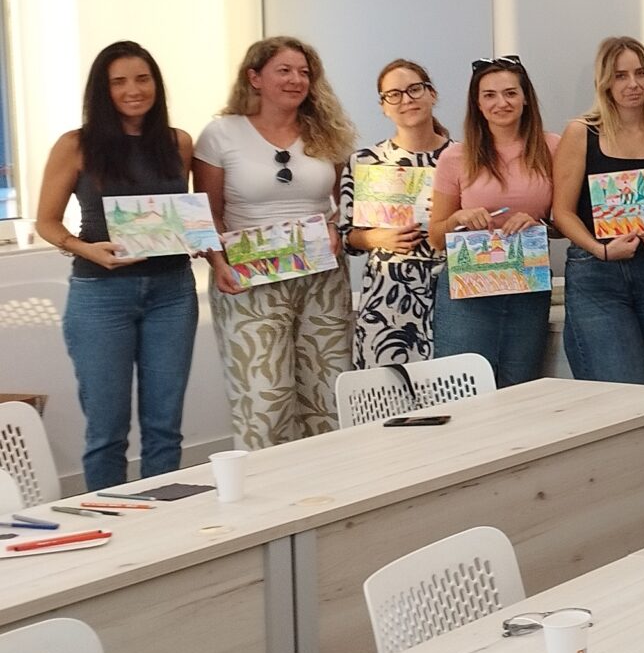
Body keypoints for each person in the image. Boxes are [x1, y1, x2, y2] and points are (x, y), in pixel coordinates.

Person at [35, 42, 199, 488]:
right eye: (119, 82)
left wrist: (197, 236)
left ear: (156, 84)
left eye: (142, 79)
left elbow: (180, 214)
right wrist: (85, 249)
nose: (133, 90)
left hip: (173, 291)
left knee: (165, 426)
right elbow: (46, 222)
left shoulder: (178, 142)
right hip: (101, 295)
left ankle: (164, 518)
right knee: (106, 430)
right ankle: (109, 516)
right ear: (102, 90)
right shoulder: (76, 145)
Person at [193, 36, 356, 449]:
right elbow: (207, 213)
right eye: (284, 70)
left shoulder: (328, 132)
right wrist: (218, 263)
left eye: (304, 72)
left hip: (322, 277)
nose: (296, 80)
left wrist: (336, 227)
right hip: (249, 280)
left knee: (329, 395)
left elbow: (346, 200)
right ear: (255, 78)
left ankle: (333, 484)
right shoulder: (221, 134)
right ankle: (266, 488)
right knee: (265, 401)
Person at [552, 36, 644, 386]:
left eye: (640, 73)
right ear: (605, 83)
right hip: (597, 274)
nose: (633, 84)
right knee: (623, 387)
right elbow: (562, 212)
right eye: (620, 75)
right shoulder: (581, 133)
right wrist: (600, 249)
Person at [430, 55, 557, 387]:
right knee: (461, 388)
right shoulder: (455, 157)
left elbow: (567, 221)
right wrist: (458, 218)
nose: (502, 103)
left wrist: (539, 224)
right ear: (477, 103)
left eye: (510, 93)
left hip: (527, 286)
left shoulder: (552, 148)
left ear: (526, 97)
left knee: (521, 388)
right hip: (468, 290)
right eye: (489, 95)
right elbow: (435, 236)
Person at [339, 59, 450, 369]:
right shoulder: (365, 161)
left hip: (451, 292)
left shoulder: (463, 157)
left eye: (414, 89)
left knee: (452, 387)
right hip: (387, 298)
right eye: (394, 94)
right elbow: (346, 237)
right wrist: (376, 237)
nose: (406, 100)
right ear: (383, 106)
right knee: (386, 390)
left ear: (432, 94)